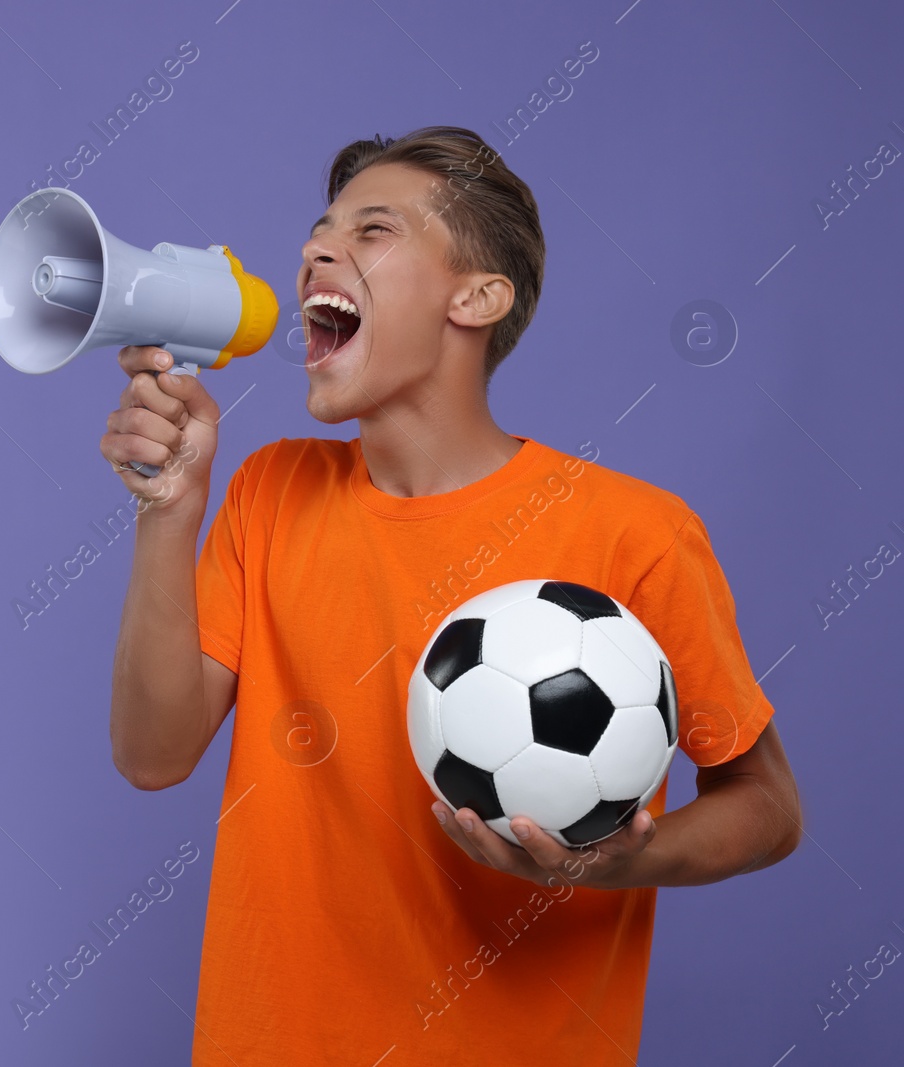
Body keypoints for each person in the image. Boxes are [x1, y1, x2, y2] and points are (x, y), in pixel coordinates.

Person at [99, 125, 802, 1065]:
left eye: (374, 229)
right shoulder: (272, 489)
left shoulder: (635, 533)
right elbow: (152, 755)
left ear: (477, 297)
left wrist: (624, 859)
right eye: (319, 228)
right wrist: (170, 510)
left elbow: (767, 804)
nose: (318, 247)